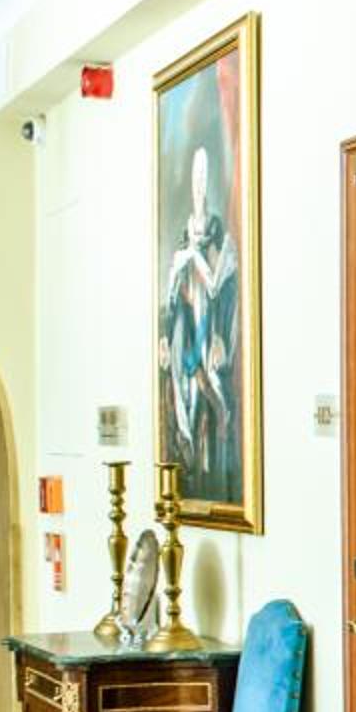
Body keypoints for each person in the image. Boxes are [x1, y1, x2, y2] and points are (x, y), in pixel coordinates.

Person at [159, 142, 240, 502]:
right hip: (188, 340)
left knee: (216, 403)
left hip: (209, 338)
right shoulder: (182, 255)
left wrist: (221, 335)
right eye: (195, 178)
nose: (199, 185)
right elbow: (172, 302)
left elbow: (225, 293)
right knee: (187, 405)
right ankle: (192, 468)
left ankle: (215, 475)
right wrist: (166, 337)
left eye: (204, 178)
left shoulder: (222, 248)